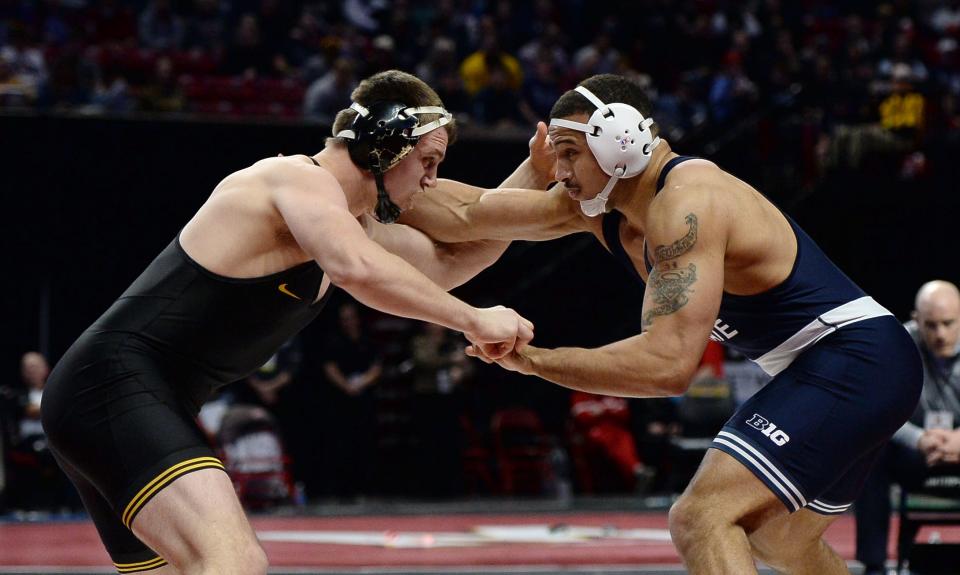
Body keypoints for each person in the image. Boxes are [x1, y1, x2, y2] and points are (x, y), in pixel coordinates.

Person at [400, 73, 923, 573]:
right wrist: (370, 177)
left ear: (620, 140)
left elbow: (667, 365)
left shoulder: (687, 203)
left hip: (855, 356)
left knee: (700, 518)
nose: (558, 172)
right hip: (840, 364)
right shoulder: (602, 207)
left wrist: (535, 362)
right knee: (778, 539)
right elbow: (468, 212)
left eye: (569, 153)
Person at [41, 70, 532, 575]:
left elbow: (449, 264)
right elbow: (357, 269)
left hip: (115, 396)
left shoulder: (345, 223)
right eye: (427, 160)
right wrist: (473, 320)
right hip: (110, 388)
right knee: (233, 561)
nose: (430, 181)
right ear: (383, 144)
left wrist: (537, 175)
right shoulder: (294, 180)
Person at [855, 280, 960, 575]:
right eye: (931, 325)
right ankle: (874, 565)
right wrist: (918, 439)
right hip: (917, 450)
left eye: (949, 324)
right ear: (916, 319)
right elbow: (877, 408)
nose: (940, 334)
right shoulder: (897, 346)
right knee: (871, 451)